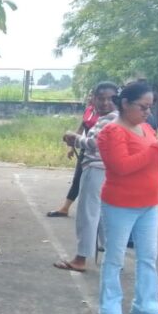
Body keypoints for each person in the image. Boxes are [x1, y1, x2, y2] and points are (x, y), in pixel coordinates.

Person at [96, 81, 158, 314]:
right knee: (115, 257)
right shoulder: (112, 132)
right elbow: (122, 167)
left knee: (148, 256)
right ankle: (109, 306)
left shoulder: (146, 129)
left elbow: (157, 162)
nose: (147, 112)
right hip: (121, 203)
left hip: (148, 203)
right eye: (143, 106)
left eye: (149, 107)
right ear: (124, 104)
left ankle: (146, 305)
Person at [53, 82, 118, 272]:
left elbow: (95, 143)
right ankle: (112, 257)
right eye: (101, 98)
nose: (105, 102)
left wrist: (74, 138)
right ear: (94, 99)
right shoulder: (115, 117)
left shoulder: (109, 119)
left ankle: (80, 259)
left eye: (110, 98)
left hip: (97, 168)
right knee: (104, 215)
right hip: (109, 170)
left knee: (88, 214)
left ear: (118, 99)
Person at [47, 91, 98, 217]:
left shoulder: (105, 115)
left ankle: (96, 212)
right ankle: (65, 208)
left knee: (94, 183)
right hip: (85, 147)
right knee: (78, 178)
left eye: (93, 96)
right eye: (90, 95)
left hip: (97, 151)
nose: (90, 97)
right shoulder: (89, 110)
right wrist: (72, 145)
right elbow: (81, 128)